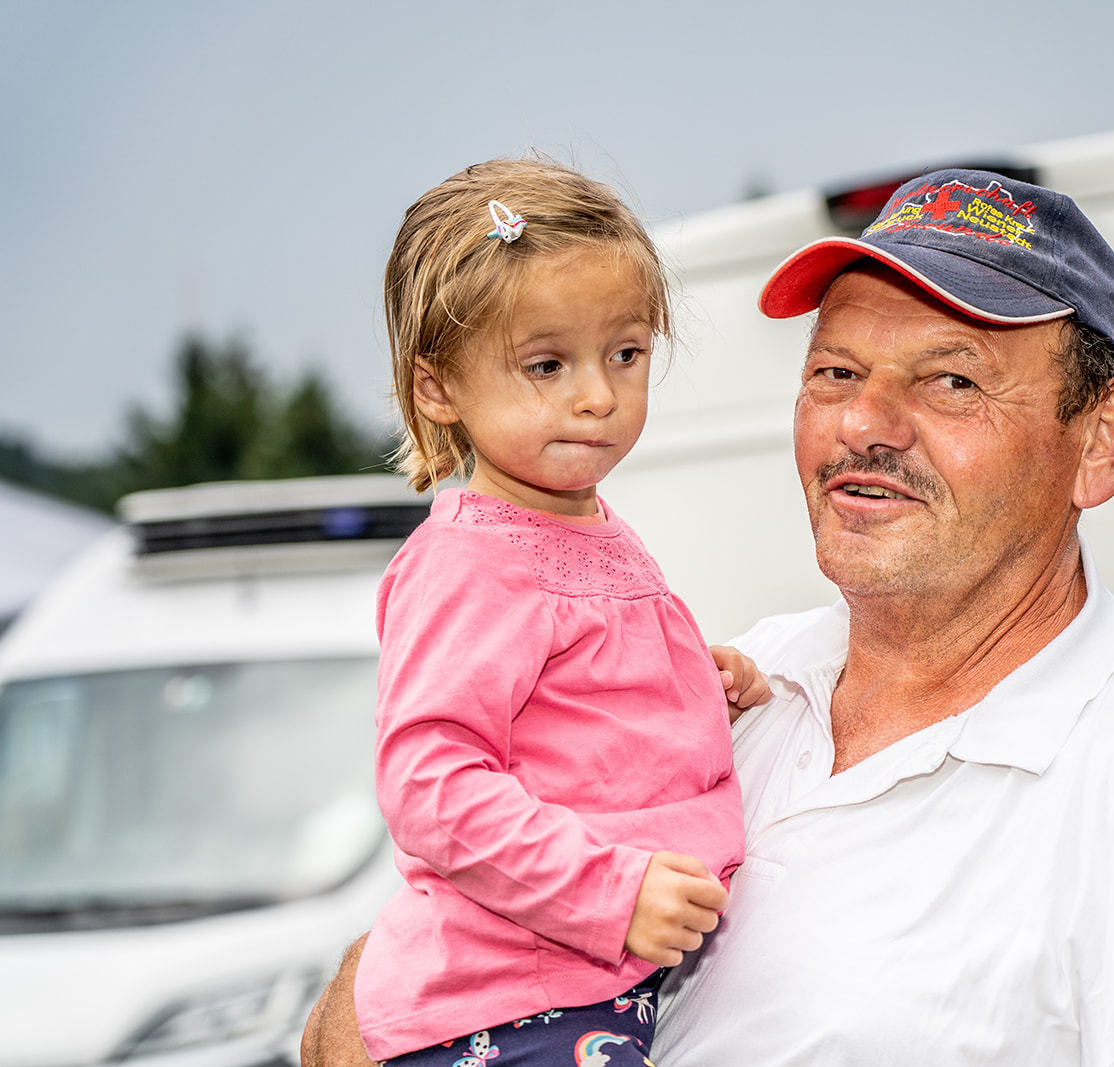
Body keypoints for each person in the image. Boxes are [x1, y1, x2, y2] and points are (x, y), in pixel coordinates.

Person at [305, 168, 1114, 1065]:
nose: (864, 423)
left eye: (951, 380)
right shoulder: (748, 682)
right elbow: (364, 1007)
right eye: (835, 372)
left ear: (1102, 440)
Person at [352, 159, 765, 1067]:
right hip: (504, 1012)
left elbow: (577, 719)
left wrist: (698, 681)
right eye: (547, 364)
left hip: (585, 993)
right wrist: (611, 894)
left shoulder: (585, 529)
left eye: (625, 353)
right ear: (437, 388)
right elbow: (431, 784)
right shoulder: (472, 560)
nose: (598, 395)